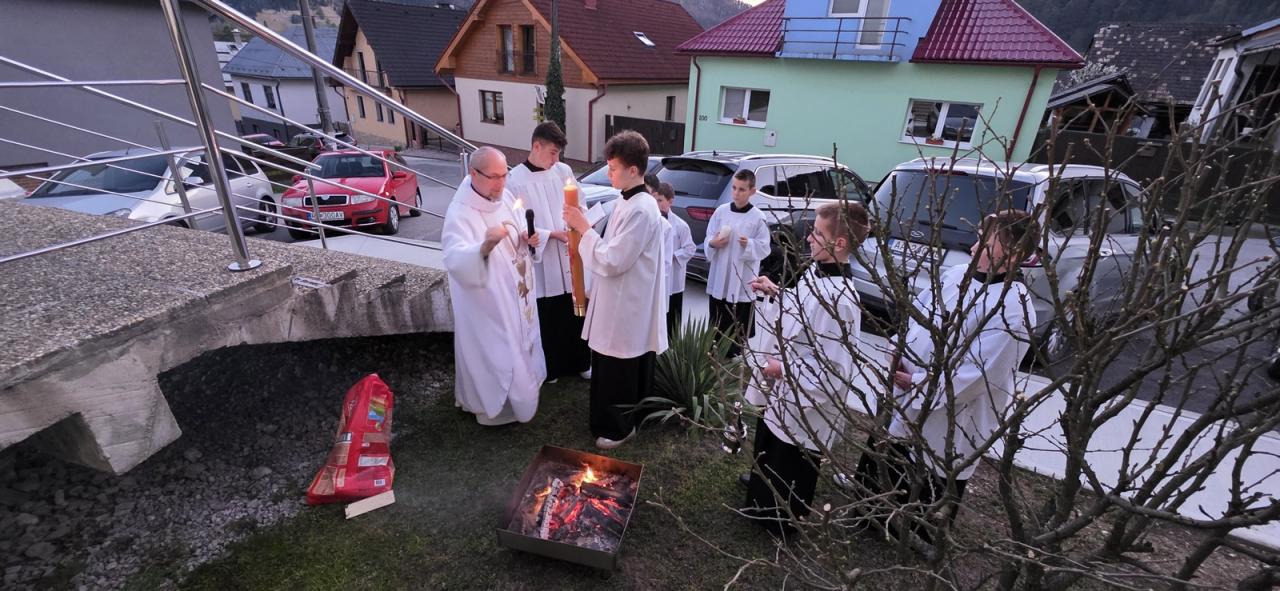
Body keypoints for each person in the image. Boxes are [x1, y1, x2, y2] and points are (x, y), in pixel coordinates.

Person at [851, 210, 1039, 542]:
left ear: (1012, 254)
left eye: (985, 241)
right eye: (978, 236)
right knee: (891, 449)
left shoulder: (1013, 309)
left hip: (954, 410)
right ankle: (873, 514)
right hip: (905, 384)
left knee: (932, 465)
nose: (974, 246)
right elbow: (918, 316)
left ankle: (916, 536)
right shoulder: (957, 275)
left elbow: (980, 374)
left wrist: (919, 383)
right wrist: (897, 351)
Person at [740, 202, 869, 536]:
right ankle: (760, 497)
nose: (809, 238)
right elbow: (803, 311)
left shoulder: (841, 301)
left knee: (791, 456)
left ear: (839, 243)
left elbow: (832, 368)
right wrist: (776, 291)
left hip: (805, 396)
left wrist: (783, 370)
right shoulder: (818, 271)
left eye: (816, 232)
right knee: (771, 441)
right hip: (786, 385)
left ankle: (780, 519)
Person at [563, 131, 668, 450]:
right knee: (611, 363)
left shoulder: (641, 209)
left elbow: (613, 259)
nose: (608, 173)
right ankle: (610, 419)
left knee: (619, 365)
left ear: (633, 170)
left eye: (613, 168)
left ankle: (620, 427)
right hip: (618, 296)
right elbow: (613, 247)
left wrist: (583, 229)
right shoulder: (627, 200)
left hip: (628, 302)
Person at [442, 146, 547, 426]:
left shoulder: (504, 196)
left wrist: (526, 237)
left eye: (504, 175)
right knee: (495, 351)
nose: (501, 184)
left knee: (522, 341)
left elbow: (518, 228)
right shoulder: (460, 212)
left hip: (517, 294)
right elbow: (454, 259)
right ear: (473, 173)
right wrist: (485, 245)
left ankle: (525, 390)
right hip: (488, 304)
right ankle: (490, 407)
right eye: (494, 177)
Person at [508, 122, 592, 383]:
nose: (556, 160)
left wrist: (579, 223)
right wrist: (549, 234)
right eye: (553, 153)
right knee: (549, 314)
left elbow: (581, 203)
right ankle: (552, 368)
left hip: (570, 254)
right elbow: (516, 221)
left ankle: (581, 361)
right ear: (537, 146)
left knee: (575, 309)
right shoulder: (515, 180)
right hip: (542, 261)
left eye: (558, 154)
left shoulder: (563, 172)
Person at [704, 169, 770, 357]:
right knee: (717, 322)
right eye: (734, 188)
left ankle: (733, 358)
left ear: (752, 191)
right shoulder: (721, 211)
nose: (736, 193)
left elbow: (765, 247)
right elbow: (709, 236)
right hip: (720, 276)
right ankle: (713, 356)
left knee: (737, 325)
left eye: (741, 189)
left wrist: (749, 244)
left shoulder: (758, 217)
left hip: (741, 278)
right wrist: (713, 243)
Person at [656, 182, 695, 334]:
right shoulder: (651, 222)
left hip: (673, 281)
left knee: (672, 318)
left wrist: (673, 255)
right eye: (654, 200)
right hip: (656, 277)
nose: (656, 204)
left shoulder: (680, 225)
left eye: (660, 200)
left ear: (670, 201)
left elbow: (690, 248)